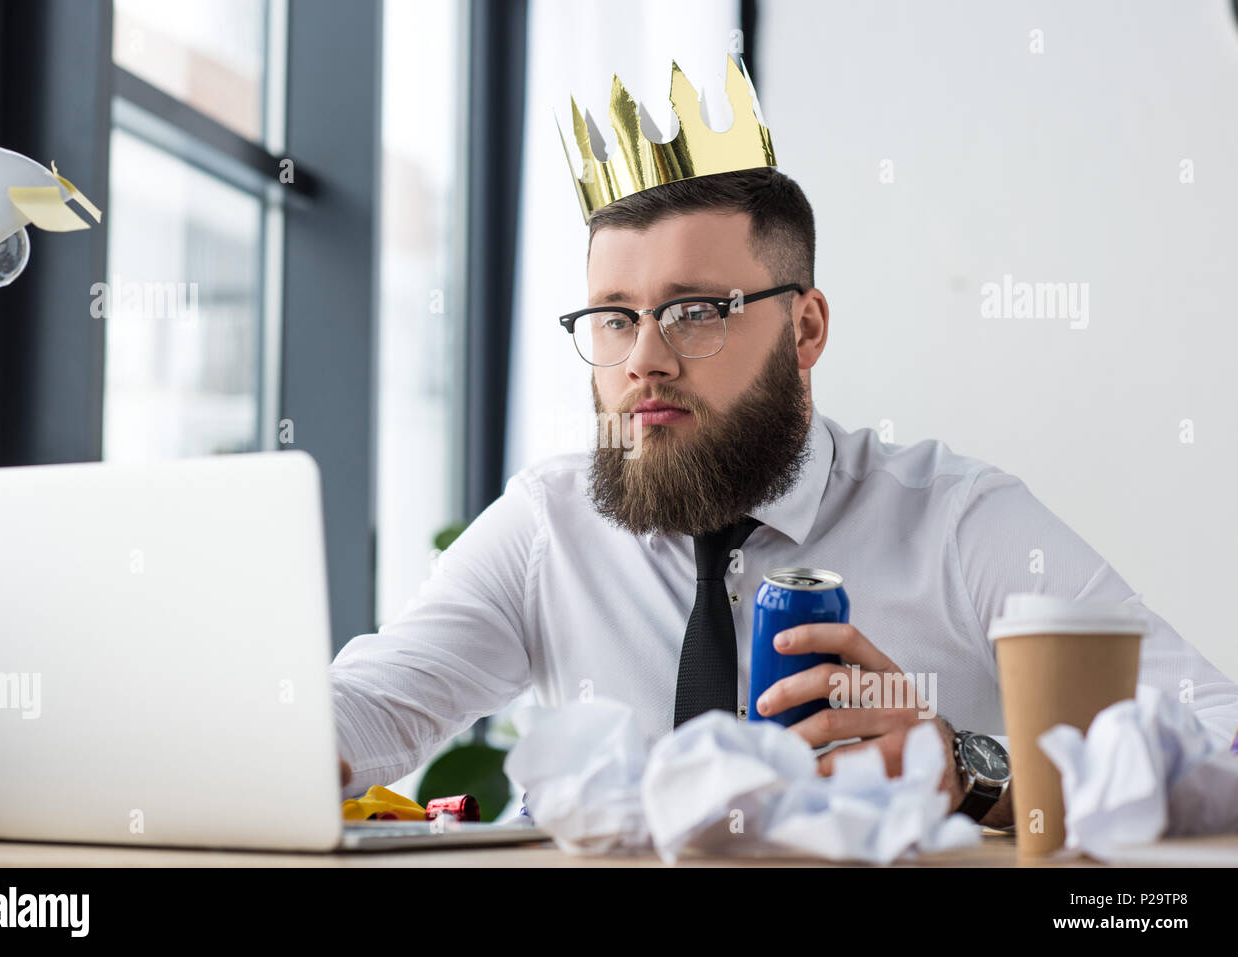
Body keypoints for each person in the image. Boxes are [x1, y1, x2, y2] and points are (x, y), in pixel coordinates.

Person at [332, 62, 1238, 829]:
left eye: (696, 313)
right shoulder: (548, 526)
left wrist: (972, 773)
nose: (644, 360)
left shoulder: (959, 522)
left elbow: (1222, 743)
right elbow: (367, 708)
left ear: (805, 329)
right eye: (614, 318)